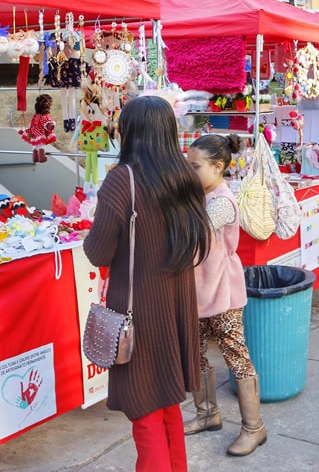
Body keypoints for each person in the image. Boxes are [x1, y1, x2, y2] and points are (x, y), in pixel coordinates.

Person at [83, 96, 211, 472]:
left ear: (130, 132)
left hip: (138, 307)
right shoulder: (185, 176)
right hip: (176, 304)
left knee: (145, 412)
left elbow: (98, 251)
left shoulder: (123, 180)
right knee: (168, 402)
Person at [184, 134, 267, 457]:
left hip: (223, 291)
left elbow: (194, 232)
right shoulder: (199, 193)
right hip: (196, 289)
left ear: (218, 167)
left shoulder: (222, 201)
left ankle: (254, 427)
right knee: (196, 352)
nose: (188, 173)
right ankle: (207, 414)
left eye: (195, 167)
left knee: (236, 356)